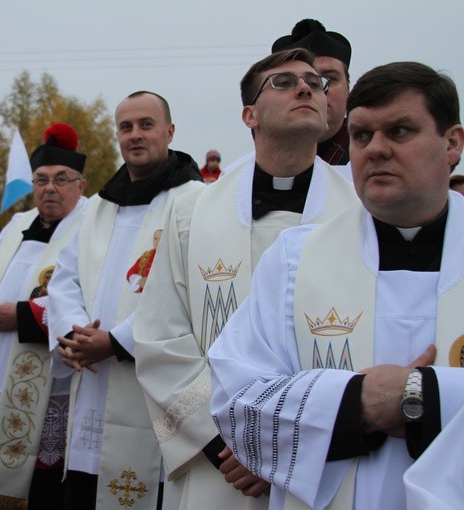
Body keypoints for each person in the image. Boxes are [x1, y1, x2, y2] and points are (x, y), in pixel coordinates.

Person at [209, 61, 464, 510]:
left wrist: (423, 396)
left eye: (400, 131)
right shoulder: (295, 259)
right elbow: (237, 400)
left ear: (452, 143)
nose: (376, 150)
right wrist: (357, 402)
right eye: (362, 135)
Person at [133, 48, 358, 510]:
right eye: (283, 82)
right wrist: (226, 443)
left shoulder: (362, 210)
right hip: (223, 468)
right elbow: (160, 336)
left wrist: (295, 442)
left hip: (329, 460)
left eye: (315, 83)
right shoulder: (191, 212)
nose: (305, 89)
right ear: (249, 115)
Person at [47, 91, 204, 510]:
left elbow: (190, 292)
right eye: (126, 126)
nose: (135, 135)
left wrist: (116, 343)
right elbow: (64, 280)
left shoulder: (195, 203)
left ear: (169, 131)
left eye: (146, 125)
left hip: (151, 387)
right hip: (90, 378)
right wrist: (72, 334)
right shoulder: (98, 208)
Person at [0, 122, 88, 509]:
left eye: (61, 179)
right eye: (41, 180)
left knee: (44, 486)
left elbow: (89, 296)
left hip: (48, 372)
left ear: (80, 185)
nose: (50, 188)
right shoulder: (17, 225)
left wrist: (17, 316)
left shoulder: (92, 225)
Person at [273, 19, 353, 169]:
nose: (309, 89)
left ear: (348, 91)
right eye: (290, 81)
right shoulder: (244, 176)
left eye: (329, 78)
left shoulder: (374, 161)